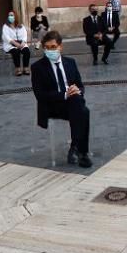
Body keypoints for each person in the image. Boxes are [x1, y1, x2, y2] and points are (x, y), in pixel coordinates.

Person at [31, 31, 93, 168]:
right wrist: (65, 95)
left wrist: (77, 91)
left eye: (53, 47)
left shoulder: (70, 63)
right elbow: (40, 95)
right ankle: (79, 150)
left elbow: (80, 86)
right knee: (83, 111)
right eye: (46, 47)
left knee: (78, 102)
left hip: (71, 104)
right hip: (51, 107)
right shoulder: (37, 68)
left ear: (60, 47)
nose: (49, 50)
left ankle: (77, 149)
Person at [2, 10, 31, 76]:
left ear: (16, 16)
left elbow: (24, 35)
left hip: (21, 44)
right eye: (9, 15)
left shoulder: (21, 26)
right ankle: (18, 69)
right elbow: (6, 37)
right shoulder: (5, 26)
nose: (10, 17)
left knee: (27, 51)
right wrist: (16, 44)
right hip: (10, 45)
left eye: (12, 15)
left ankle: (25, 67)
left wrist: (23, 42)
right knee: (16, 52)